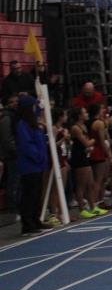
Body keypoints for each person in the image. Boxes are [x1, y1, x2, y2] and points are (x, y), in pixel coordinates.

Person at [14, 96, 52, 235]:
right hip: (29, 166)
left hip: (37, 165)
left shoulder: (33, 124)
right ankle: (27, 225)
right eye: (35, 106)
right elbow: (26, 145)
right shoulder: (22, 125)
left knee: (36, 195)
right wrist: (38, 157)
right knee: (29, 195)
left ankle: (36, 220)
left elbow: (39, 140)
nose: (37, 109)